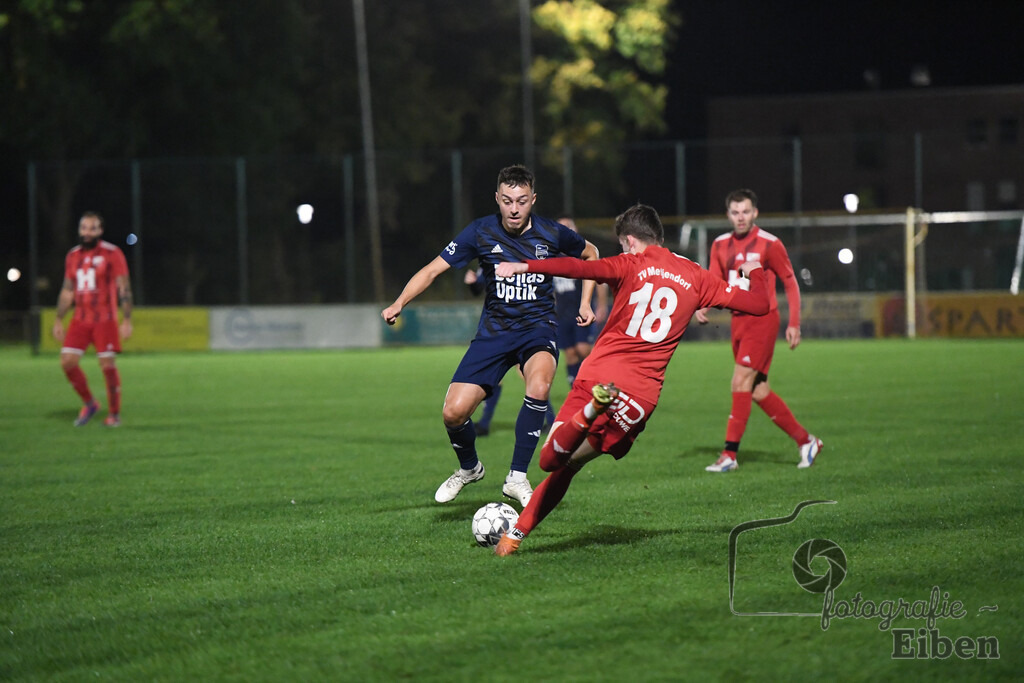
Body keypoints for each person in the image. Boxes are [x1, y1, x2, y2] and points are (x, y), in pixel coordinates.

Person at [491, 203, 771, 555]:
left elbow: (579, 267)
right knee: (569, 467)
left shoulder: (632, 262)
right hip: (640, 401)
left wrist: (525, 265)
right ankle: (514, 536)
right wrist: (755, 269)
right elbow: (760, 305)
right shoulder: (698, 276)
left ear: (631, 241)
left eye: (623, 246)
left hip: (601, 378)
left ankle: (591, 411)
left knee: (549, 460)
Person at [382, 165, 600, 507]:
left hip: (537, 329)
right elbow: (433, 269)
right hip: (494, 334)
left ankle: (517, 477)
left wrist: (586, 302)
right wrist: (399, 302)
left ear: (533, 200)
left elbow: (591, 255)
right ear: (497, 199)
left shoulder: (552, 233)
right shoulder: (479, 232)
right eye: (508, 201)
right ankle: (469, 468)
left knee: (539, 385)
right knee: (453, 414)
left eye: (522, 201)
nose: (514, 209)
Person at [695, 189, 822, 472]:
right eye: (735, 212)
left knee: (739, 382)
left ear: (755, 213)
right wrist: (703, 305)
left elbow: (790, 282)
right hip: (737, 322)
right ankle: (806, 441)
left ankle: (729, 455)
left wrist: (794, 323)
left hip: (763, 321)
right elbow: (715, 282)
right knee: (757, 390)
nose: (741, 217)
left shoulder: (769, 244)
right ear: (728, 215)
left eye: (746, 211)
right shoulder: (719, 245)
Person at [52, 211, 133, 427]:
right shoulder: (73, 256)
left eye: (92, 228)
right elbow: (67, 290)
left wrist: (126, 319)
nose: (87, 232)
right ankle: (90, 403)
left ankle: (114, 414)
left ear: (100, 231)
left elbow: (123, 287)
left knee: (107, 364)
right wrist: (59, 319)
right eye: (84, 228)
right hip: (80, 319)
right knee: (67, 361)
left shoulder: (112, 253)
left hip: (104, 319)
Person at [463, 266, 556, 436]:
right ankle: (484, 424)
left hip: (525, 326)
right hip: (499, 328)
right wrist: (472, 283)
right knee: (495, 378)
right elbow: (479, 288)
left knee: (530, 375)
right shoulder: (490, 258)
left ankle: (551, 421)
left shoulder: (527, 257)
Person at [552, 217, 609, 387]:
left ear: (575, 229)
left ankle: (600, 378)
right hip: (562, 313)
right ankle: (576, 389)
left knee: (583, 349)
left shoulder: (583, 252)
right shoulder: (552, 255)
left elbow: (600, 280)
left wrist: (601, 305)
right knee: (570, 353)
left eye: (568, 226)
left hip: (581, 310)